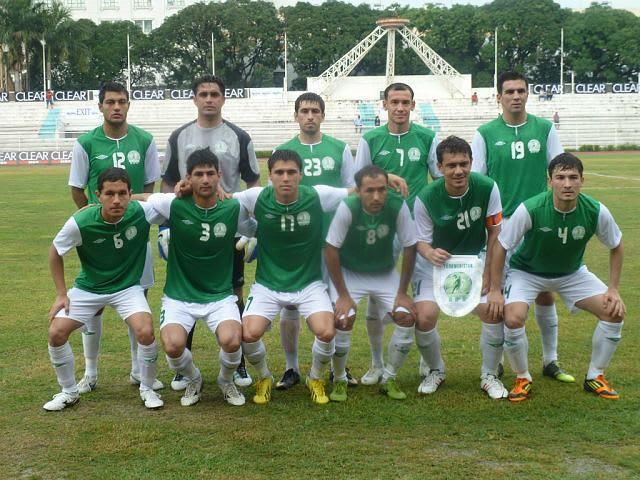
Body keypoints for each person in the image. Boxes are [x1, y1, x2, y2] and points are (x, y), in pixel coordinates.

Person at [487, 153, 625, 402]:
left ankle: (595, 375)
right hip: (527, 272)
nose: (567, 184)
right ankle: (522, 377)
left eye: (573, 177)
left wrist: (613, 288)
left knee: (614, 312)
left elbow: (616, 244)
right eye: (560, 177)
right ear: (549, 181)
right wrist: (495, 289)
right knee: (514, 317)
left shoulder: (595, 210)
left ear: (582, 180)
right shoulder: (530, 208)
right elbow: (501, 245)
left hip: (572, 273)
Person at [471, 71, 573, 383]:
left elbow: (560, 170)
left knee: (544, 292)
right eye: (510, 91)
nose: (516, 96)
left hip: (538, 223)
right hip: (500, 227)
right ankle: (498, 359)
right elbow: (478, 180)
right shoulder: (485, 132)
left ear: (527, 94)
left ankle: (550, 360)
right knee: (496, 293)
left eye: (521, 91)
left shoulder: (544, 128)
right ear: (498, 96)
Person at [161, 74, 260, 391]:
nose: (208, 99)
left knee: (234, 292)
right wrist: (165, 227)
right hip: (189, 224)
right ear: (194, 98)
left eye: (214, 94)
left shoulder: (239, 136)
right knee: (186, 289)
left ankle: (239, 363)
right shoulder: (179, 136)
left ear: (223, 98)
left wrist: (251, 227)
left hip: (227, 225)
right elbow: (168, 183)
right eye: (202, 93)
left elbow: (252, 182)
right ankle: (182, 368)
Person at [141, 148, 256, 407]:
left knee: (231, 339)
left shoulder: (233, 208)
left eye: (210, 174)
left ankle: (225, 381)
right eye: (198, 174)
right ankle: (194, 378)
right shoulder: (174, 204)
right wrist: (100, 203)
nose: (205, 180)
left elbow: (257, 226)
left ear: (219, 175)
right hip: (179, 296)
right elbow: (139, 200)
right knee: (172, 346)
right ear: (188, 178)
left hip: (219, 295)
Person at [68, 81, 163, 395]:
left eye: (122, 101)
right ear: (100, 106)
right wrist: (94, 222)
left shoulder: (145, 140)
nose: (117, 107)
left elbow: (150, 189)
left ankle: (138, 368)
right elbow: (76, 188)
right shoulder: (86, 143)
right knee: (93, 304)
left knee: (138, 299)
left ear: (128, 104)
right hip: (99, 239)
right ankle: (90, 372)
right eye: (110, 102)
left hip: (135, 237)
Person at [234, 150, 349, 405]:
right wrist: (249, 230)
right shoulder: (257, 197)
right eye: (279, 173)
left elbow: (355, 192)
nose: (285, 178)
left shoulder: (316, 195)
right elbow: (226, 200)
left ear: (301, 175)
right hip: (268, 284)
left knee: (327, 332)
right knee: (247, 333)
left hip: (309, 283)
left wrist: (388, 178)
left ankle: (315, 377)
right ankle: (264, 377)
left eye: (291, 172)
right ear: (270, 176)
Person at [44, 168, 164, 411]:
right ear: (97, 195)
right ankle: (69, 392)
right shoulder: (80, 222)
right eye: (109, 194)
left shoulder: (141, 212)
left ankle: (147, 388)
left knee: (146, 331)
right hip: (90, 288)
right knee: (56, 332)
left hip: (127, 288)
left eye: (122, 193)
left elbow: (171, 200)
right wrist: (61, 293)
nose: (116, 200)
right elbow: (55, 251)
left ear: (131, 194)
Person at [355, 82, 439, 385]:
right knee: (377, 297)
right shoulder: (371, 139)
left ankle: (427, 361)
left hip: (419, 227)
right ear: (385, 105)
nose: (400, 108)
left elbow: (439, 179)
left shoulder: (428, 138)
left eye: (406, 102)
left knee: (424, 291)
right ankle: (376, 362)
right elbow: (358, 180)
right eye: (395, 102)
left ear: (413, 106)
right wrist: (382, 177)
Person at [273, 92, 356, 390]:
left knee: (338, 303)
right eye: (304, 111)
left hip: (332, 240)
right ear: (295, 115)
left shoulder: (340, 148)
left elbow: (352, 192)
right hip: (295, 241)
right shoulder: (284, 150)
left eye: (315, 111)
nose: (310, 116)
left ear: (323, 115)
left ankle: (338, 369)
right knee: (290, 307)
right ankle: (291, 367)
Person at [412, 136, 507, 398]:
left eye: (464, 164)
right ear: (439, 168)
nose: (458, 171)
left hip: (474, 260)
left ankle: (489, 374)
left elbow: (495, 235)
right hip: (436, 265)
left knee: (493, 309)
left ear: (472, 163)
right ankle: (436, 369)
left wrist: (492, 278)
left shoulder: (487, 187)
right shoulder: (427, 197)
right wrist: (430, 251)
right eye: (451, 165)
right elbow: (419, 241)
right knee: (424, 316)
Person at [325, 165, 417, 401]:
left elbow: (410, 246)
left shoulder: (397, 205)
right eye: (369, 191)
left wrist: (403, 291)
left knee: (406, 317)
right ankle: (339, 380)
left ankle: (389, 377)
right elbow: (331, 249)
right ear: (358, 191)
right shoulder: (348, 207)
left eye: (381, 190)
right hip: (350, 273)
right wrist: (343, 295)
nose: (376, 196)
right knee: (343, 319)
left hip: (384, 273)